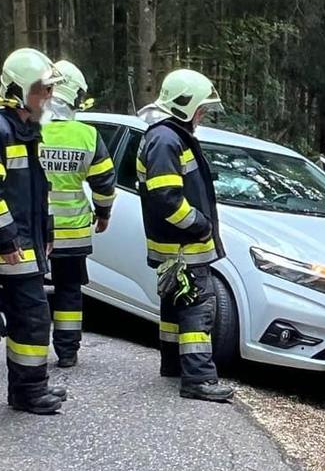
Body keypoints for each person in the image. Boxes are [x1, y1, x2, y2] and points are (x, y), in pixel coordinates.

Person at [0, 48, 67, 415]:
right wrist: (6, 239)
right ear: (20, 90)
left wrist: (46, 230)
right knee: (33, 316)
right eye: (42, 89)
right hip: (12, 245)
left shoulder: (27, 129)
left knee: (29, 316)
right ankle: (28, 392)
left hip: (27, 241)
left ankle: (29, 387)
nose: (48, 97)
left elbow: (38, 190)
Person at [137, 68, 235, 403]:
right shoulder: (167, 139)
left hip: (173, 246)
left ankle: (174, 365)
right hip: (183, 246)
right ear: (185, 105)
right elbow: (166, 198)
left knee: (175, 305)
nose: (203, 114)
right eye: (201, 107)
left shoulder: (167, 136)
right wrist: (199, 225)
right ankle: (198, 378)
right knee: (197, 307)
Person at [38, 61, 117, 368]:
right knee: (69, 292)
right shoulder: (87, 135)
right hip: (73, 233)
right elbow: (104, 183)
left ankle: (30, 349)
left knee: (31, 291)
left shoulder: (31, 129)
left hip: (34, 231)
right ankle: (68, 351)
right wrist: (103, 214)